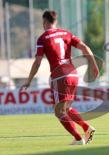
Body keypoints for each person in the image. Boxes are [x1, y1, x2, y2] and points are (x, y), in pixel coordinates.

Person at [21, 10, 99, 145]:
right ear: (55, 21)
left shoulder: (43, 38)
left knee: (58, 112)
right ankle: (87, 128)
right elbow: (85, 47)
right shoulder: (67, 34)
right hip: (74, 74)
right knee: (66, 109)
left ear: (44, 21)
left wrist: (28, 80)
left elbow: (37, 62)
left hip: (60, 76)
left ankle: (78, 138)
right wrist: (94, 65)